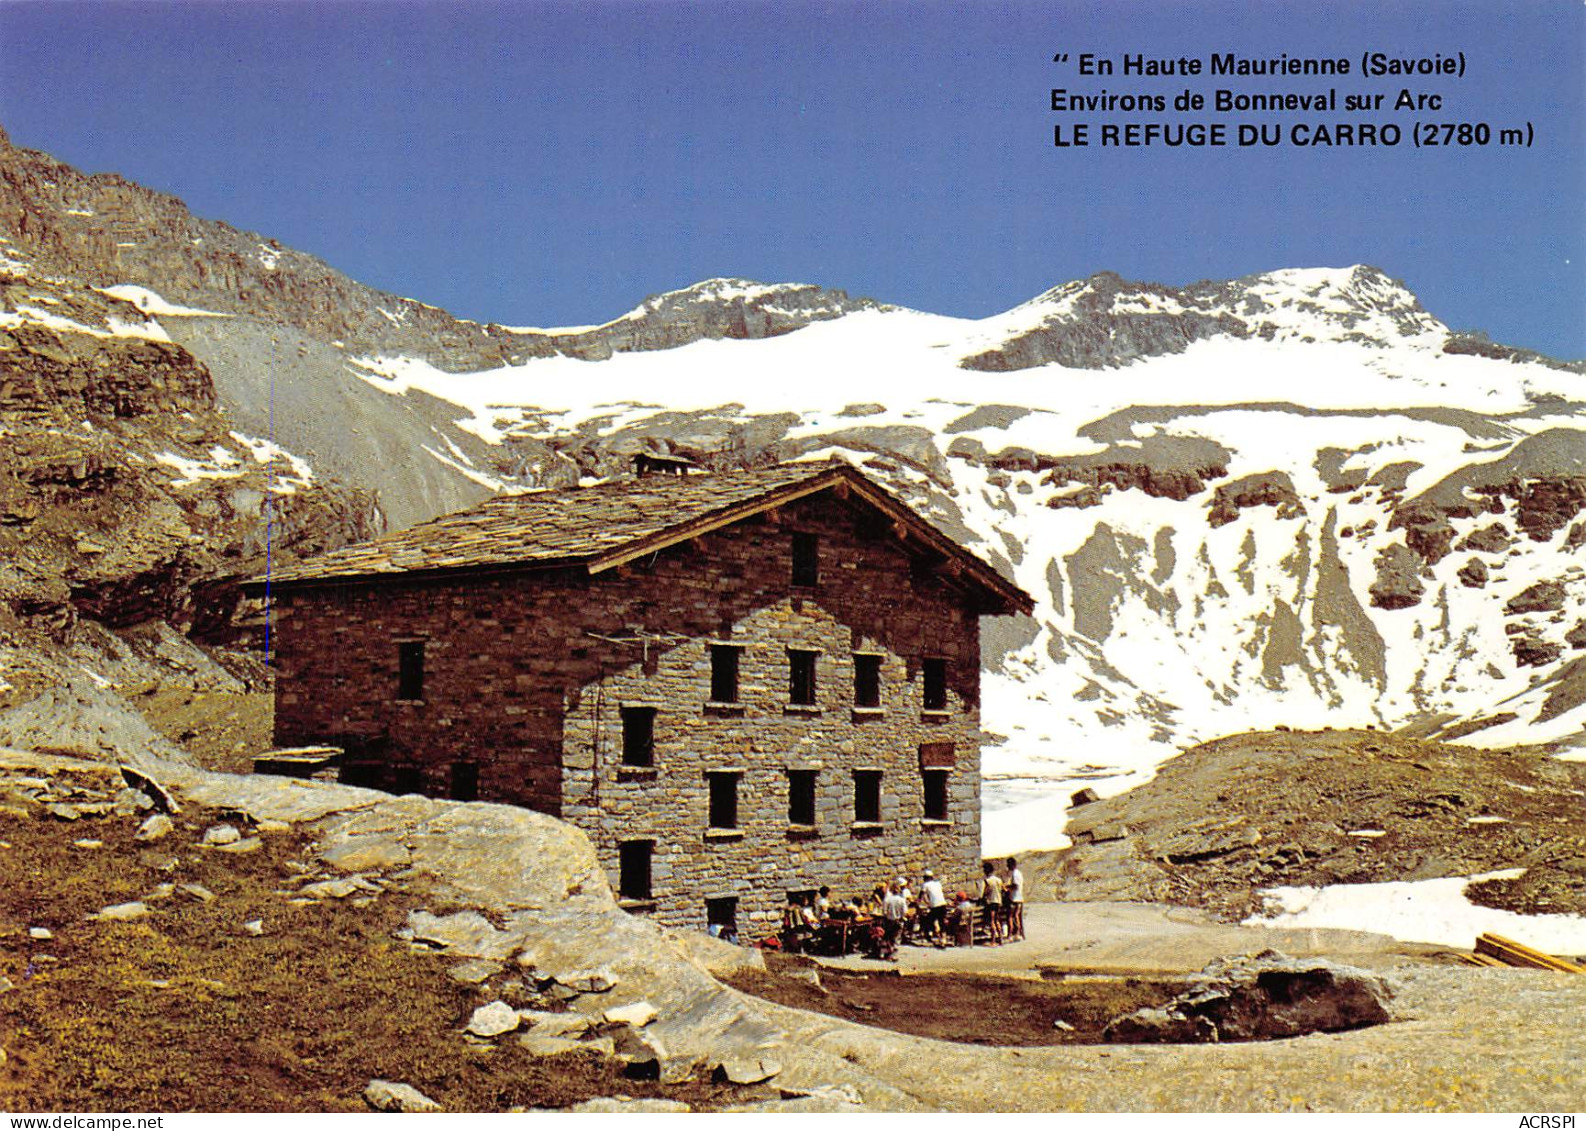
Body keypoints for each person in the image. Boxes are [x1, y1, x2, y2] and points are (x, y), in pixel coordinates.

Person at [880, 879, 909, 960]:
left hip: (888, 920)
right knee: (896, 938)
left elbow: (884, 912)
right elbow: (904, 912)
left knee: (888, 937)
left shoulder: (887, 900)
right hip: (898, 920)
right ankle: (892, 954)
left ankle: (886, 953)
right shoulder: (901, 900)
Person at [919, 868, 948, 947]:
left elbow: (921, 895)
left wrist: (920, 903)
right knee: (941, 922)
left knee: (928, 920)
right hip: (942, 904)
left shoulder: (925, 885)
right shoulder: (938, 883)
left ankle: (930, 934)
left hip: (934, 906)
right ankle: (943, 939)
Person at [979, 860, 1004, 944]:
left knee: (992, 921)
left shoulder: (987, 881)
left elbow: (983, 893)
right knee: (997, 920)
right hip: (998, 901)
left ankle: (993, 941)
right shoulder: (998, 880)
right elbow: (1002, 889)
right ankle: (1001, 939)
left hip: (991, 902)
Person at [1005, 856, 1025, 941]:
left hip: (1014, 898)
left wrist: (1006, 887)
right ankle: (1019, 933)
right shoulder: (1019, 873)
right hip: (1019, 898)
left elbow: (1015, 886)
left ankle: (1011, 934)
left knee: (1010, 916)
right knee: (1017, 916)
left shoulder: (1015, 874)